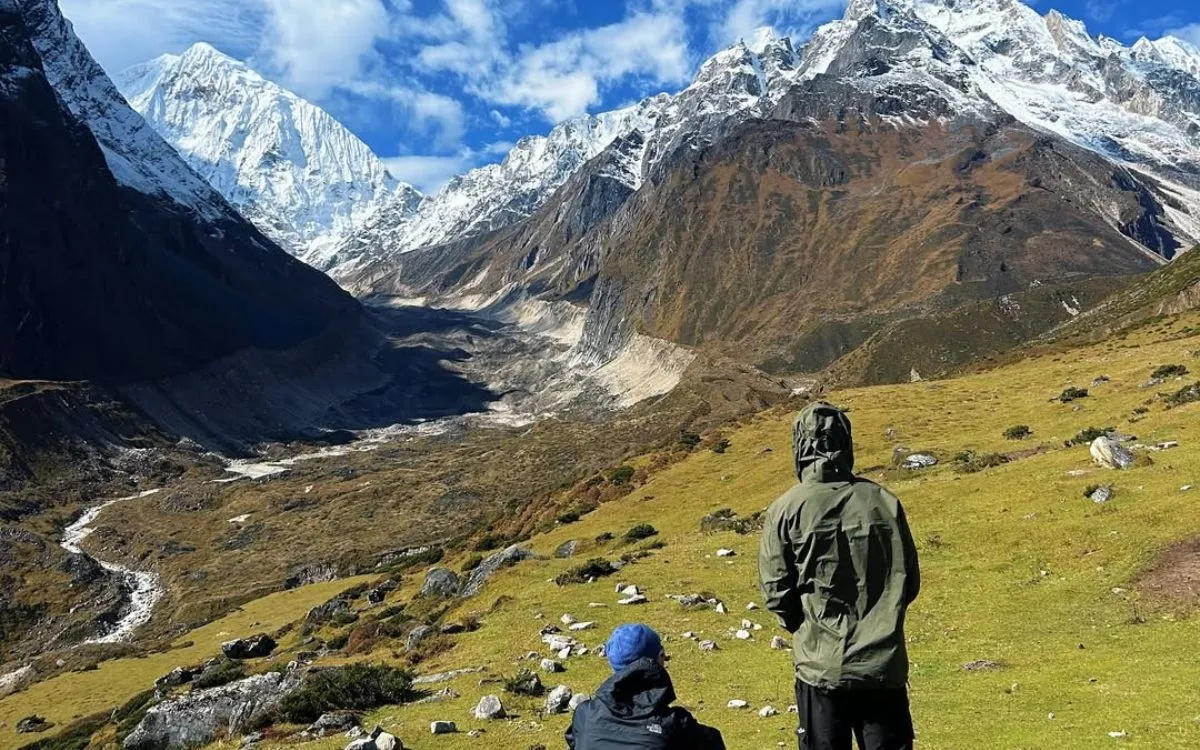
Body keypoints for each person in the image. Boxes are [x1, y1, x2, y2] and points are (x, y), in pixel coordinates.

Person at [759, 402, 921, 750]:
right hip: (882, 666)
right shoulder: (884, 502)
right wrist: (882, 617)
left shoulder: (785, 509)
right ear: (847, 442)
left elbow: (776, 591)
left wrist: (804, 626)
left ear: (799, 447)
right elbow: (909, 582)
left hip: (821, 666)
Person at [566, 623, 725, 749]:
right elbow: (714, 744)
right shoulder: (674, 724)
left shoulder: (585, 714)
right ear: (654, 663)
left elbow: (574, 741)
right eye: (662, 654)